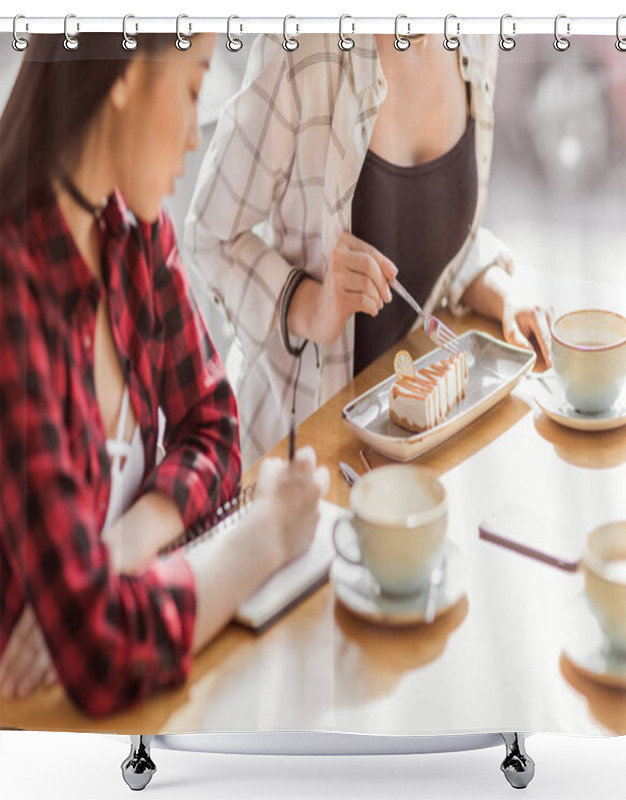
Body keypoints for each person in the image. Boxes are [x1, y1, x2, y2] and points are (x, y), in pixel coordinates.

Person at [0, 33, 328, 716]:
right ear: (120, 72)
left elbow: (213, 423)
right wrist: (265, 532)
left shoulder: (130, 226)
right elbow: (97, 647)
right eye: (191, 85)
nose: (192, 135)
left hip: (138, 697)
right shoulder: (14, 289)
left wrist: (118, 549)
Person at [186, 33, 552, 467]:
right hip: (301, 460)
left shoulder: (475, 35)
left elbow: (433, 246)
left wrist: (506, 297)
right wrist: (311, 305)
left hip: (420, 444)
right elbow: (209, 236)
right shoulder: (300, 49)